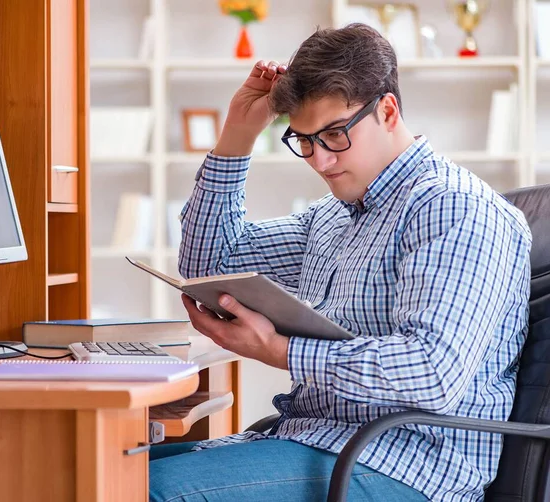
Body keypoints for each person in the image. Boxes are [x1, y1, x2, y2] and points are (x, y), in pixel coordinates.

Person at [149, 23, 532, 502]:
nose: (320, 161)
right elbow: (210, 263)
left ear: (387, 110)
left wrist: (280, 351)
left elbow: (433, 372)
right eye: (305, 140)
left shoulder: (455, 208)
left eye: (333, 135)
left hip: (407, 463)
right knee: (96, 472)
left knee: (147, 490)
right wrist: (237, 137)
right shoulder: (331, 217)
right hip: (315, 440)